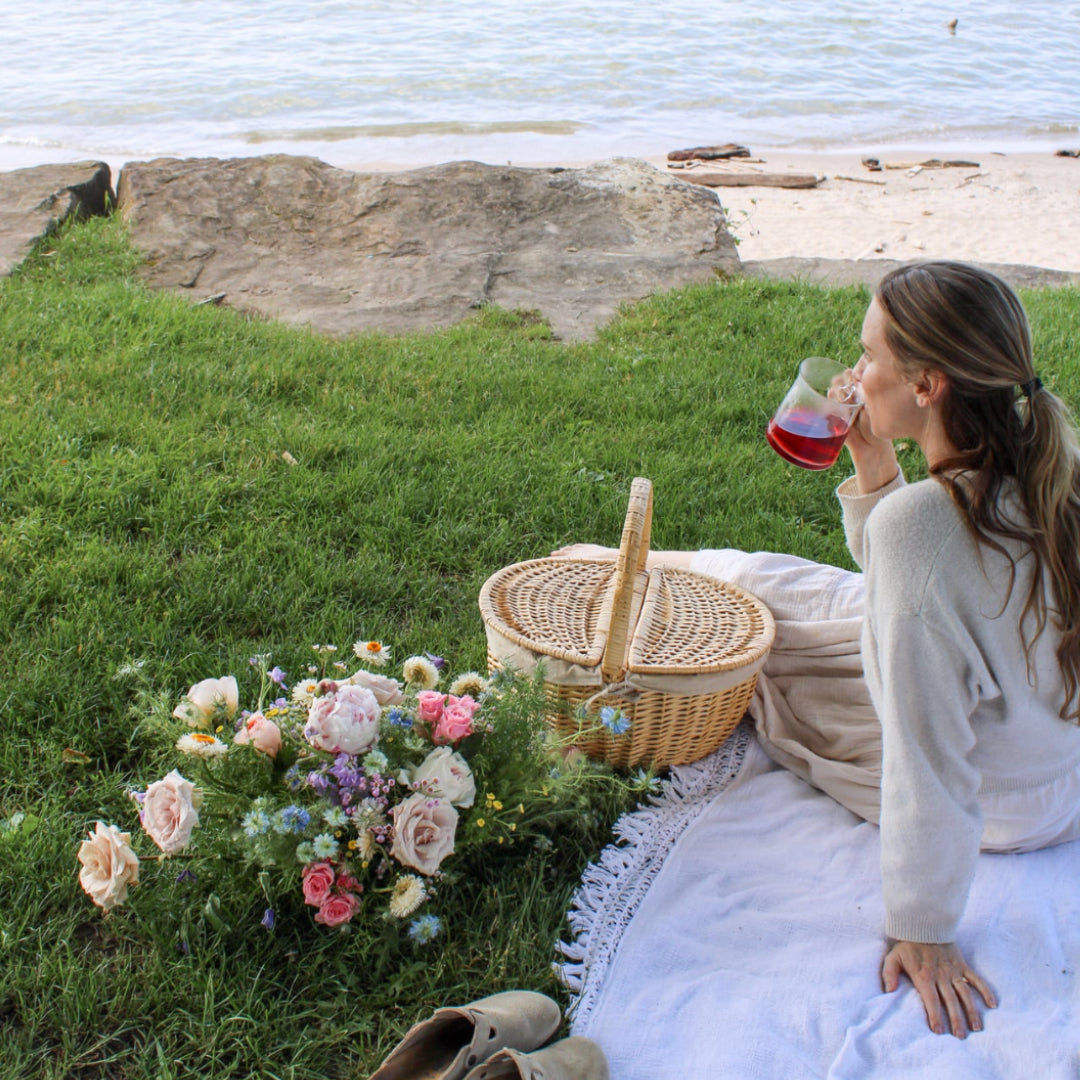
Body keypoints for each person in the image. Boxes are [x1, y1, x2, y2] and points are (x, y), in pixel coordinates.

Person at [553, 261, 1080, 1040]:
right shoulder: (1050, 468)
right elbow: (932, 590)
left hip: (994, 798)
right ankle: (621, 567)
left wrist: (924, 926)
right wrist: (875, 464)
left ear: (928, 385)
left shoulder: (921, 533)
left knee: (767, 661)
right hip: (1054, 770)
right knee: (791, 583)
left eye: (869, 358)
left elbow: (928, 757)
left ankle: (605, 577)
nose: (855, 374)